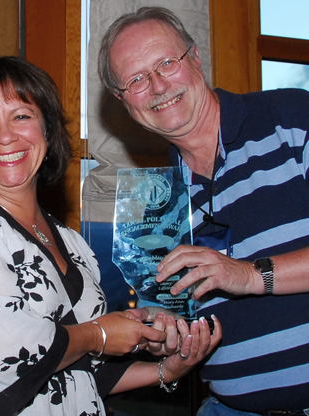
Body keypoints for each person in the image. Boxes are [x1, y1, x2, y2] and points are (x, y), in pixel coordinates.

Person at [0, 56, 220, 416]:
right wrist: (99, 334)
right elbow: (15, 359)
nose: (5, 135)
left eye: (21, 116)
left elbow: (82, 373)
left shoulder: (72, 242)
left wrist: (166, 367)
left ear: (47, 133)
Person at [98, 6, 309, 416]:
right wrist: (166, 335)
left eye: (166, 63)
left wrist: (248, 275)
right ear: (123, 102)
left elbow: (241, 278)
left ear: (195, 58)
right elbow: (177, 321)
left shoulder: (293, 119)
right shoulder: (154, 202)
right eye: (137, 79)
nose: (158, 86)